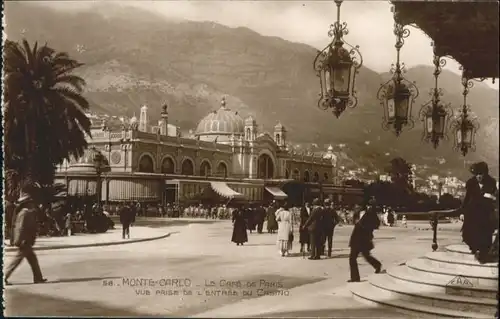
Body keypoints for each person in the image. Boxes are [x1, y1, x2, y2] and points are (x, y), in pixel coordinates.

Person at [5, 187, 47, 286]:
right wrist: (20, 240)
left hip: (27, 240)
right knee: (16, 261)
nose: (33, 203)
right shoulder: (25, 213)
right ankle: (4, 277)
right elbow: (20, 228)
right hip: (24, 241)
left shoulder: (29, 212)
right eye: (31, 202)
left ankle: (38, 277)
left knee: (33, 259)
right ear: (27, 203)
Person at [461, 162, 498, 263]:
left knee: (485, 234)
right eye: (477, 174)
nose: (478, 177)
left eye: (480, 174)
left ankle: (482, 252)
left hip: (485, 212)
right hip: (472, 211)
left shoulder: (491, 182)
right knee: (470, 233)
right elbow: (467, 198)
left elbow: (494, 196)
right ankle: (475, 248)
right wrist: (462, 212)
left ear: (485, 174)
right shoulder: (470, 183)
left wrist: (491, 197)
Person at [348, 200, 383, 282]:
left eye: (371, 206)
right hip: (358, 238)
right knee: (365, 255)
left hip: (362, 239)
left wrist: (364, 227)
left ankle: (355, 277)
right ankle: (377, 265)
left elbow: (376, 225)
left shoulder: (371, 214)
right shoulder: (360, 213)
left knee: (353, 258)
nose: (369, 207)